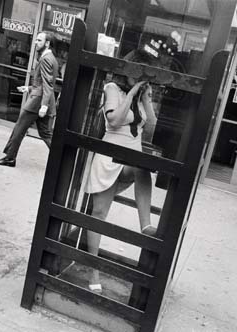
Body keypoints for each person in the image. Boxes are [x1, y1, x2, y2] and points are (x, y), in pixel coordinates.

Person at [84, 56, 157, 292]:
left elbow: (152, 124)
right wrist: (132, 91)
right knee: (98, 214)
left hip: (130, 158)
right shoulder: (112, 88)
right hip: (109, 157)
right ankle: (92, 268)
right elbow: (114, 121)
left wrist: (145, 99)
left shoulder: (141, 95)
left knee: (142, 166)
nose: (139, 77)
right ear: (126, 69)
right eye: (136, 72)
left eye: (142, 73)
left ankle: (145, 224)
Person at [0, 31, 59, 167]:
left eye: (39, 40)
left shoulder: (46, 59)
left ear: (47, 43)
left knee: (19, 128)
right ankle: (62, 160)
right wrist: (29, 88)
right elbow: (43, 83)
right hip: (42, 99)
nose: (36, 43)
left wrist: (43, 106)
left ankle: (10, 158)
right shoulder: (52, 58)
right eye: (36, 40)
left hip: (37, 102)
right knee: (46, 133)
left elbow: (48, 84)